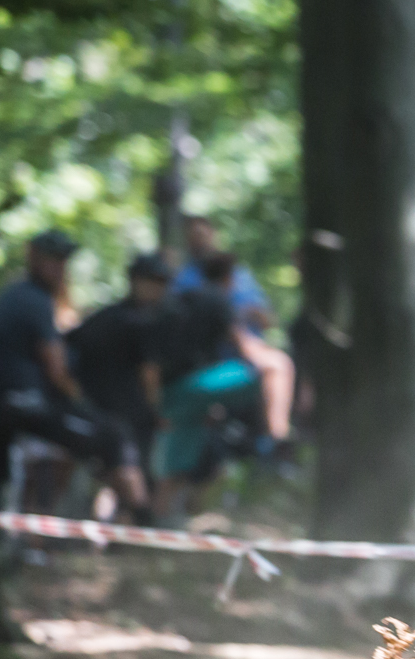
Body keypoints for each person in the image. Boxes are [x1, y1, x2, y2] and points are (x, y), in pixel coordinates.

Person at [0, 230, 148, 516]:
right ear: (33, 258)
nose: (60, 268)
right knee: (113, 436)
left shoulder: (16, 295)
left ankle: (47, 525)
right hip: (20, 409)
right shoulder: (34, 300)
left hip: (4, 410)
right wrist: (82, 401)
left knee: (75, 444)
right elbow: (58, 370)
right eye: (54, 259)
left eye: (63, 261)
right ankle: (142, 518)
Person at [150, 252, 265, 518]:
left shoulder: (183, 298)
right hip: (194, 388)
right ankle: (276, 441)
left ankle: (160, 523)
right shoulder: (219, 299)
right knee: (267, 372)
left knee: (174, 469)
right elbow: (244, 345)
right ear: (229, 278)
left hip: (173, 392)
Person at [173, 215, 293, 450]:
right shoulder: (185, 281)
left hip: (237, 365)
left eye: (204, 234)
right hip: (211, 367)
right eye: (194, 236)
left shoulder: (241, 275)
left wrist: (252, 314)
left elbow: (267, 320)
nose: (200, 241)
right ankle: (277, 439)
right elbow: (240, 342)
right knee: (277, 365)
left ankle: (272, 443)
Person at [67, 253, 170, 485]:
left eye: (161, 282)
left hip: (95, 413)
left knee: (108, 480)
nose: (157, 289)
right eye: (152, 281)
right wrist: (157, 411)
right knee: (132, 480)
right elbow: (149, 372)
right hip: (122, 419)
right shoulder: (141, 322)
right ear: (134, 280)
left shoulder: (105, 316)